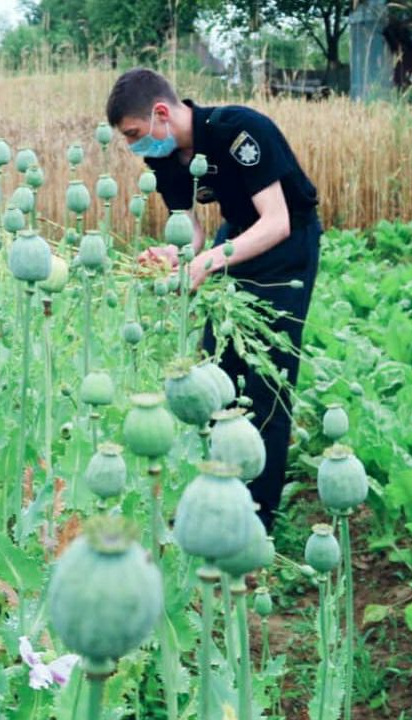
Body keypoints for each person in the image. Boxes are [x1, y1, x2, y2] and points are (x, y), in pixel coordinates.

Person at [106, 68, 321, 531]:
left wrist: (206, 264)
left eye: (135, 134)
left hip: (287, 246)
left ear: (160, 113)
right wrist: (172, 256)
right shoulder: (165, 158)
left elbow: (277, 221)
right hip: (235, 238)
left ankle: (256, 521)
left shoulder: (240, 130)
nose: (134, 147)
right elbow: (193, 235)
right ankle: (220, 492)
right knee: (218, 370)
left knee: (267, 378)